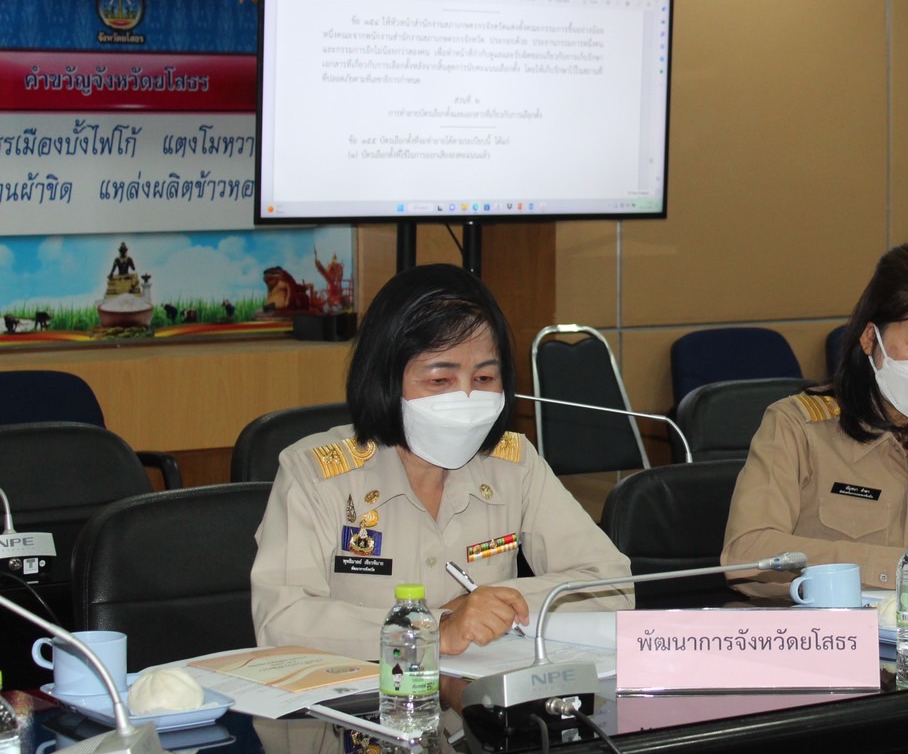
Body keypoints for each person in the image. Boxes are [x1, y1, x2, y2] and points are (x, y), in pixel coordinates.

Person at [252, 264, 632, 661]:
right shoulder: (315, 473)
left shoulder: (514, 465)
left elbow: (611, 587)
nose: (466, 398)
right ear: (385, 379)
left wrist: (496, 605)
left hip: (479, 708)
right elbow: (281, 620)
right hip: (359, 708)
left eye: (484, 379)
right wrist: (430, 628)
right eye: (439, 381)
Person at [722, 242, 908, 597]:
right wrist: (904, 567)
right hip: (821, 638)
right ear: (870, 339)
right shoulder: (797, 426)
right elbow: (746, 554)